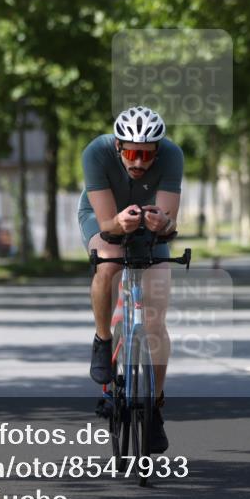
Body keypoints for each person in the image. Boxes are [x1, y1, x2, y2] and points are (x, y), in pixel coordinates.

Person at [78, 106, 183, 454]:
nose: (139, 162)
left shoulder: (172, 156)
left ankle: (154, 408)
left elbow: (170, 223)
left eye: (147, 154)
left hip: (146, 226)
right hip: (104, 217)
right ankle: (103, 339)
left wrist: (162, 225)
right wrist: (118, 224)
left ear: (158, 149)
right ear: (119, 147)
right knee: (109, 263)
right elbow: (108, 224)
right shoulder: (96, 152)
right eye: (132, 153)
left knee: (155, 319)